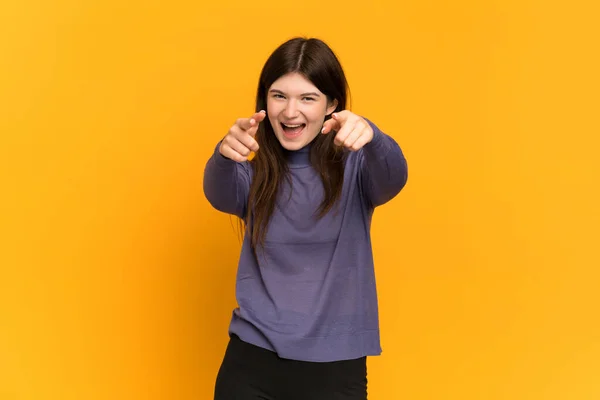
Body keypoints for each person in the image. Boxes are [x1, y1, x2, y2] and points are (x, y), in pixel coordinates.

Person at [203, 36, 408, 400]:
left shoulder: (358, 167)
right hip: (252, 360)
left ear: (332, 105)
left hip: (335, 369)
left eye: (307, 98)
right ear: (264, 101)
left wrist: (374, 137)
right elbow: (217, 193)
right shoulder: (252, 172)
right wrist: (224, 155)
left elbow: (395, 177)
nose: (290, 111)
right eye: (279, 95)